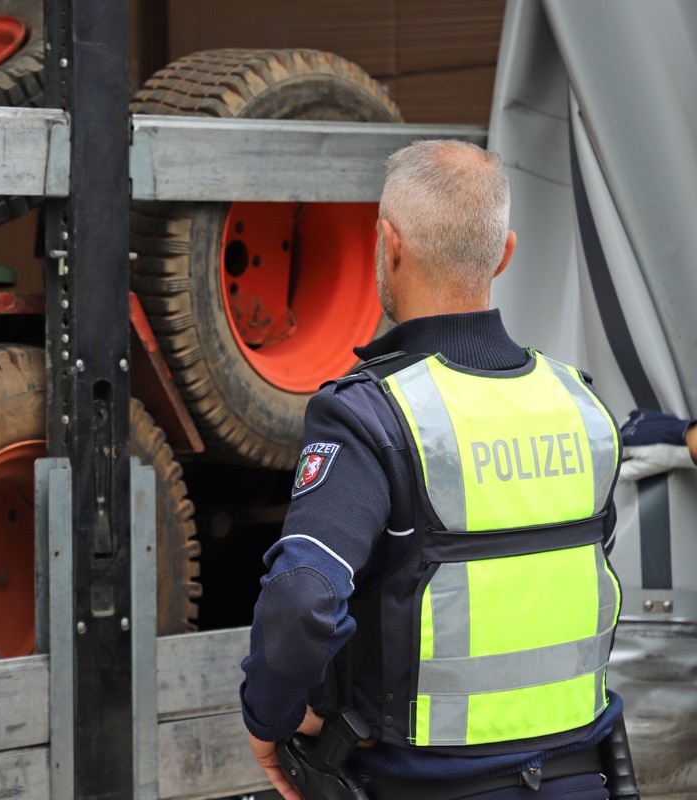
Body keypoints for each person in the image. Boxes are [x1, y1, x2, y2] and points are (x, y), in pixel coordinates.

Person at [241, 139, 624, 800]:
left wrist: (267, 717)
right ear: (504, 252)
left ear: (387, 244)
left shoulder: (370, 414)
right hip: (581, 780)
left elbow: (304, 598)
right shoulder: (581, 406)